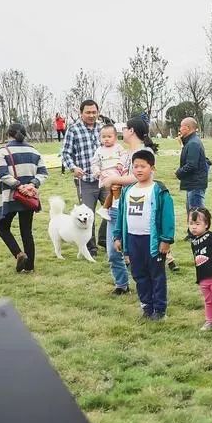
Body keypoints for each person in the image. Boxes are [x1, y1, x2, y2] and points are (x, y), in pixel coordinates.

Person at [98, 118, 160, 296]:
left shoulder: (144, 152)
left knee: (135, 251)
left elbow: (136, 177)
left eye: (124, 128)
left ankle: (147, 286)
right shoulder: (126, 153)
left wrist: (113, 180)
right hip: (117, 205)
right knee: (112, 250)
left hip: (135, 207)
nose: (122, 131)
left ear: (131, 130)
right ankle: (122, 284)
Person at [112, 149, 175, 321]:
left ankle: (159, 309)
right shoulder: (128, 191)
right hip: (133, 239)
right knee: (139, 274)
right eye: (135, 166)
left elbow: (167, 217)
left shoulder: (159, 190)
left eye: (143, 166)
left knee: (156, 275)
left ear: (152, 168)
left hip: (152, 241)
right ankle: (146, 306)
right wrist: (118, 236)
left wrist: (166, 239)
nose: (139, 170)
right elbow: (121, 215)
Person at [0, 123, 47, 273]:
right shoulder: (34, 151)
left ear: (8, 134)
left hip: (10, 196)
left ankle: (19, 253)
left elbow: (3, 174)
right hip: (28, 197)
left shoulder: (2, 152)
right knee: (27, 231)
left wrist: (18, 186)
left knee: (3, 227)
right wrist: (31, 185)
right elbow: (43, 173)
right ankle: (29, 267)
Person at [61, 100, 103, 257]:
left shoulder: (102, 128)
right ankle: (91, 246)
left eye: (94, 112)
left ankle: (105, 239)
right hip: (85, 179)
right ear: (81, 113)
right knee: (87, 214)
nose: (91, 115)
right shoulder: (73, 129)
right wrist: (73, 167)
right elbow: (65, 153)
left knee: (113, 208)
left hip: (103, 178)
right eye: (88, 112)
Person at [189, 208, 212, 331]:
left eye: (197, 224)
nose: (194, 227)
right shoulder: (193, 241)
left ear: (206, 224)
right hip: (202, 276)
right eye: (191, 223)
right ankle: (209, 321)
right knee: (208, 300)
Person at [91, 124, 130, 221]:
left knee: (117, 190)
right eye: (103, 137)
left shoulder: (118, 147)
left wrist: (121, 163)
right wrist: (97, 172)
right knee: (115, 188)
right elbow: (94, 163)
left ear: (115, 137)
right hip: (106, 174)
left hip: (118, 171)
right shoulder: (99, 150)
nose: (106, 139)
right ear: (100, 138)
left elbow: (125, 156)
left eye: (109, 136)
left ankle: (109, 208)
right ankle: (108, 208)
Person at [175, 117, 210, 213]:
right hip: (193, 184)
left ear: (187, 128)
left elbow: (191, 165)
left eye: (181, 127)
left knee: (197, 215)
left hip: (195, 185)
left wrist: (178, 173)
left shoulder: (193, 143)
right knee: (192, 214)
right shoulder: (191, 142)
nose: (180, 129)